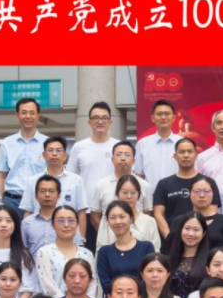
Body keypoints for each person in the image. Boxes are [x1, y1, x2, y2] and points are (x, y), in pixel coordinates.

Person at [68, 102, 120, 247]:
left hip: (113, 209)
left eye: (104, 118)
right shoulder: (79, 147)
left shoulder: (118, 147)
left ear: (110, 122)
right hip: (86, 211)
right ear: (89, 122)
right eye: (96, 118)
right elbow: (72, 179)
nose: (100, 121)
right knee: (87, 252)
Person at [20, 136, 88, 237]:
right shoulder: (33, 181)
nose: (54, 154)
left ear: (65, 155)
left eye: (58, 150)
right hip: (39, 235)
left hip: (68, 235)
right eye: (50, 150)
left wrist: (81, 239)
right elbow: (28, 211)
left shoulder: (76, 180)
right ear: (44, 155)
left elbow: (81, 212)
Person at [153, 138, 215, 242]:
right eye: (182, 152)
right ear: (175, 156)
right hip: (172, 241)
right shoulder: (163, 184)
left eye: (190, 152)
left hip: (200, 240)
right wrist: (171, 239)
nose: (186, 155)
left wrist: (200, 238)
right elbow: (158, 214)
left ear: (196, 155)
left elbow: (212, 213)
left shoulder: (208, 183)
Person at [36, 204, 100, 298]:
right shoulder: (45, 252)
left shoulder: (87, 254)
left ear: (77, 224)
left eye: (71, 220)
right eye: (60, 221)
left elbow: (92, 284)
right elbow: (48, 285)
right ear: (53, 225)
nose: (66, 225)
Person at [97, 201, 157, 298]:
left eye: (122, 217)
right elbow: (105, 284)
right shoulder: (104, 252)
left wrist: (132, 297)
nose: (117, 221)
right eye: (113, 218)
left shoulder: (146, 247)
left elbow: (149, 278)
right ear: (107, 222)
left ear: (131, 219)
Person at [0, 98, 45, 208]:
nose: (28, 116)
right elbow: (1, 177)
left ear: (38, 116)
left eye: (32, 113)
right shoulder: (7, 143)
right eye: (24, 112)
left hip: (39, 201)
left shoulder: (47, 143)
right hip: (12, 201)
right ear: (17, 115)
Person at [96, 175, 163, 250]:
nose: (129, 196)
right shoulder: (107, 220)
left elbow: (155, 250)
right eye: (124, 192)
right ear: (117, 194)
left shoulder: (149, 222)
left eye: (133, 193)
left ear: (138, 195)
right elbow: (100, 248)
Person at [22, 175, 80, 255]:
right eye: (43, 191)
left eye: (51, 191)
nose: (47, 195)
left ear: (58, 196)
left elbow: (78, 248)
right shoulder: (27, 223)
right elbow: (23, 251)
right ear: (36, 196)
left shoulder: (68, 222)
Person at [134, 99, 183, 187]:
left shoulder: (182, 143)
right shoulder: (143, 144)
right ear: (153, 118)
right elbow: (139, 175)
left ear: (174, 118)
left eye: (167, 114)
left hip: (177, 193)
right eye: (159, 114)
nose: (163, 117)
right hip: (151, 194)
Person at [167, 212, 211, 298]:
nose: (191, 234)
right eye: (187, 228)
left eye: (196, 229)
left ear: (204, 233)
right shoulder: (168, 260)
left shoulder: (210, 261)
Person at [188, 175, 223, 250]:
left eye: (206, 191)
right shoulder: (181, 221)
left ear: (213, 194)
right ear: (190, 194)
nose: (202, 195)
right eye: (197, 191)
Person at [195, 109, 223, 191]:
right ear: (213, 128)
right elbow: (196, 185)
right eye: (219, 123)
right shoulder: (202, 157)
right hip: (210, 199)